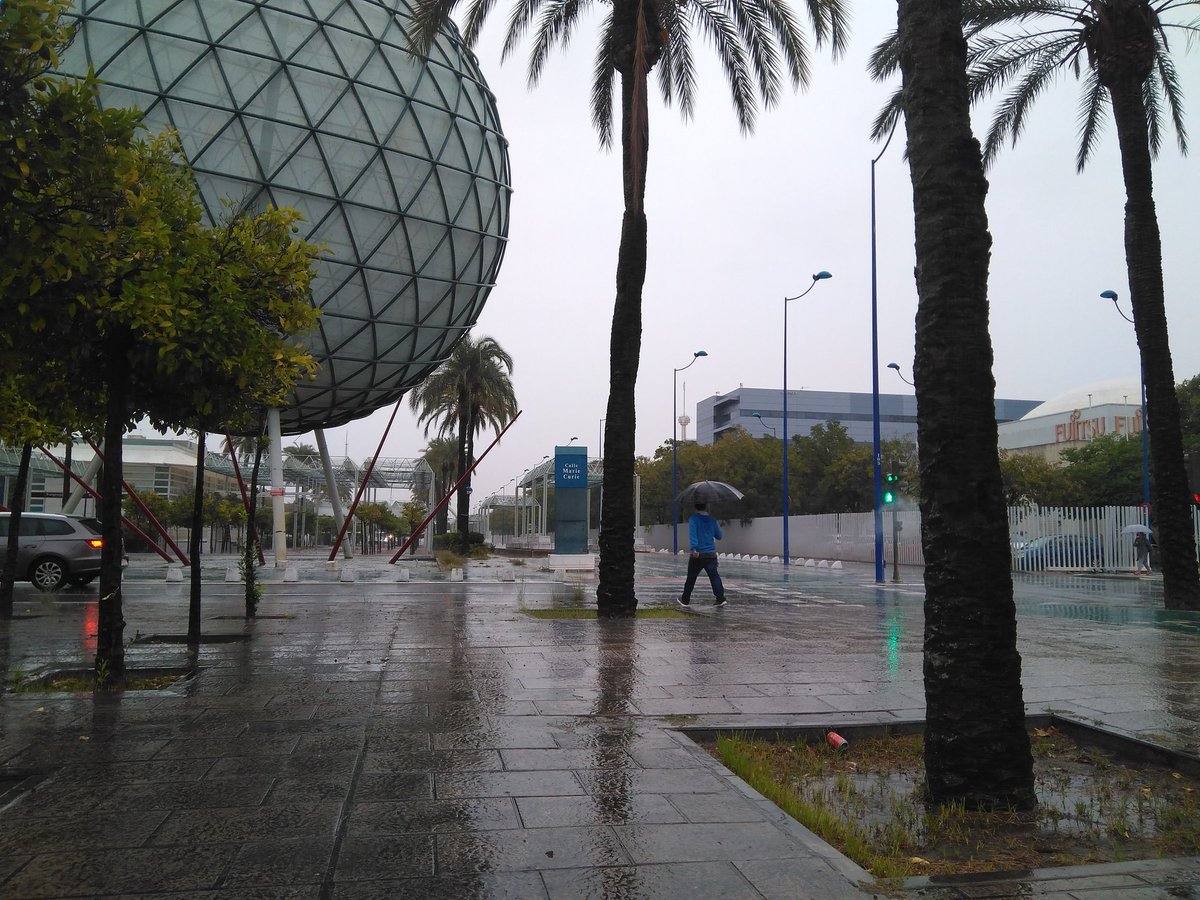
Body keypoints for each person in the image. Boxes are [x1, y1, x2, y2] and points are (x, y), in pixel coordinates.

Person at [679, 501, 726, 607]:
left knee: (691, 577)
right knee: (714, 577)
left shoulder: (694, 519)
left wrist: (694, 548)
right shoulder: (712, 520)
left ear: (695, 507)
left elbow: (693, 534)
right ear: (706, 506)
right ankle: (720, 598)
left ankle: (685, 600)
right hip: (711, 554)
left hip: (698, 554)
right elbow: (719, 535)